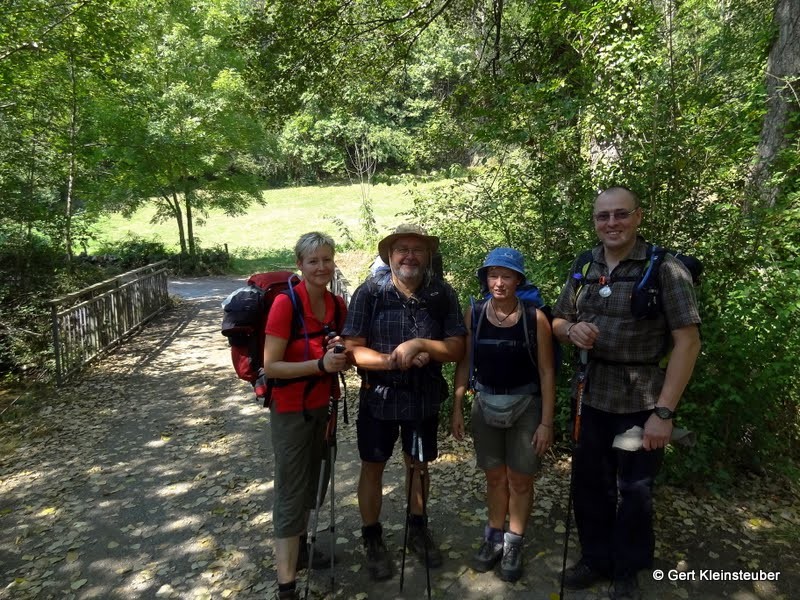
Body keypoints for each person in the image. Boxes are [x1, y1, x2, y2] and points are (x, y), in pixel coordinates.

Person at [552, 187, 701, 600]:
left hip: (640, 404)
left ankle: (627, 568)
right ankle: (595, 558)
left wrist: (664, 414)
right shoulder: (585, 264)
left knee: (634, 491)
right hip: (590, 396)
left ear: (638, 216)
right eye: (603, 216)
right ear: (595, 221)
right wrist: (570, 330)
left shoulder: (665, 269)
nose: (612, 223)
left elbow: (687, 342)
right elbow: (558, 320)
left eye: (621, 215)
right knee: (589, 484)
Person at [342, 223, 466, 581]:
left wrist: (423, 346)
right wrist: (394, 360)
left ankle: (417, 528)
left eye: (417, 249)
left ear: (428, 256)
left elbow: (457, 347)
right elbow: (353, 349)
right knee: (373, 466)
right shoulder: (370, 293)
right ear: (390, 256)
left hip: (422, 396)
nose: (409, 255)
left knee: (418, 465)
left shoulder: (442, 294)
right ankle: (372, 537)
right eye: (402, 249)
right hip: (377, 396)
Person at [451, 247, 556, 582]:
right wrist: (456, 406)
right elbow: (464, 362)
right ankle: (493, 537)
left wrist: (547, 423)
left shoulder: (534, 317)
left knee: (521, 479)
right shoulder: (476, 313)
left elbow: (547, 372)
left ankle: (514, 542)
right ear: (486, 279)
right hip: (485, 404)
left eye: (506, 275)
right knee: (494, 477)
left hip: (526, 406)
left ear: (518, 279)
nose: (498, 282)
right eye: (492, 275)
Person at [263, 232, 349, 600]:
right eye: (313, 261)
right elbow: (271, 367)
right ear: (299, 264)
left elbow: (342, 350)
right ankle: (287, 588)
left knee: (315, 479)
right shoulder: (286, 304)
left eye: (327, 259)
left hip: (323, 407)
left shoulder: (336, 304)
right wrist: (319, 364)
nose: (321, 267)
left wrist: (340, 354)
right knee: (290, 491)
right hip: (291, 411)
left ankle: (300, 552)